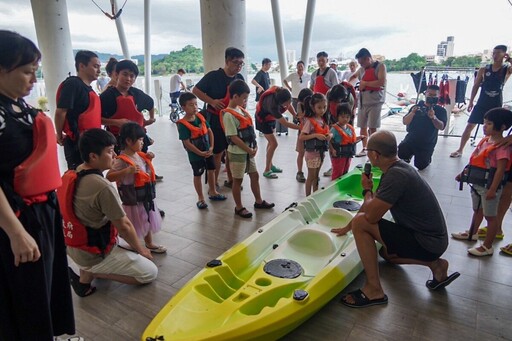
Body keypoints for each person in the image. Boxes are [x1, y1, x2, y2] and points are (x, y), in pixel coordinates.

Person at [0, 29, 75, 341]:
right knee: (24, 297)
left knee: (47, 288)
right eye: (27, 71)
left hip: (44, 213)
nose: (34, 79)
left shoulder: (20, 108)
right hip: (16, 219)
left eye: (35, 71)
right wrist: (16, 233)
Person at [331, 130, 459, 308]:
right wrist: (348, 226)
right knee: (385, 254)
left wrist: (366, 190)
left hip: (427, 242)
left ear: (375, 155)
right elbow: (374, 205)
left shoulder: (396, 176)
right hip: (433, 241)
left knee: (361, 222)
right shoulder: (398, 169)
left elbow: (370, 216)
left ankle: (374, 290)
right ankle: (436, 265)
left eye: (368, 150)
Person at [61, 129, 157, 297]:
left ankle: (87, 275)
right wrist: (142, 250)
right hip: (93, 252)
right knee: (149, 272)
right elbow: (124, 226)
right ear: (93, 156)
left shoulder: (73, 173)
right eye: (109, 151)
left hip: (75, 245)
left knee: (126, 244)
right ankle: (91, 272)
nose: (114, 155)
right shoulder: (102, 186)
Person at [452, 108, 512, 256]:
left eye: (489, 124)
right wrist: (464, 173)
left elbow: (500, 170)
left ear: (503, 127)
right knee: (477, 210)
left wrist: (493, 189)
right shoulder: (485, 141)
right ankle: (472, 232)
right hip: (477, 184)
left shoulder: (502, 148)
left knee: (491, 217)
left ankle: (487, 246)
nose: (484, 126)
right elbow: (474, 160)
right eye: (484, 123)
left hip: (489, 187)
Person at [106, 123, 166, 253]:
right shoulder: (121, 160)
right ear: (128, 141)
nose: (142, 143)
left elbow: (145, 172)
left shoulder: (139, 155)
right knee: (133, 223)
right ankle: (130, 244)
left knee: (148, 219)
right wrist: (127, 171)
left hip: (145, 195)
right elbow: (109, 176)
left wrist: (149, 159)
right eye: (140, 140)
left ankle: (149, 243)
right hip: (132, 199)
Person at [192, 47, 245, 189]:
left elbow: (243, 99)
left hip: (233, 119)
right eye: (236, 63)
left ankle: (231, 179)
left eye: (241, 64)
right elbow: (195, 90)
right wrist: (212, 101)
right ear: (227, 61)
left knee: (231, 151)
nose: (238, 66)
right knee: (217, 152)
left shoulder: (239, 78)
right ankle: (213, 184)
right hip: (215, 119)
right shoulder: (213, 76)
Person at [222, 79, 275, 218]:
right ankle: (238, 207)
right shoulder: (228, 115)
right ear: (235, 96)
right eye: (244, 98)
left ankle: (258, 201)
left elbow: (249, 131)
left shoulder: (240, 110)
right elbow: (233, 137)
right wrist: (248, 149)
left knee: (255, 175)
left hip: (248, 151)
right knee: (237, 180)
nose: (245, 101)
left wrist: (254, 147)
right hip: (238, 153)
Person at [450, 45, 512, 158]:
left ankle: (494, 150)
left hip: (496, 103)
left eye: (498, 53)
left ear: (504, 54)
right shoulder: (485, 69)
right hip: (482, 101)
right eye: (494, 52)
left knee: (496, 129)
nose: (495, 55)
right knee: (470, 126)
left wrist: (509, 59)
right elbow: (476, 85)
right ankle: (460, 149)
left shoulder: (506, 70)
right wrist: (471, 101)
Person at [54, 50, 102, 170]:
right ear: (82, 66)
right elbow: (61, 112)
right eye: (95, 66)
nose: (99, 71)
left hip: (91, 142)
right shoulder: (73, 84)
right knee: (80, 177)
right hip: (77, 143)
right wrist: (59, 134)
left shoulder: (88, 89)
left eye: (99, 67)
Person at [177, 92, 226, 209]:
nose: (194, 107)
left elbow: (209, 131)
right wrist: (199, 153)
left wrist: (211, 147)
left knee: (211, 170)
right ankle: (200, 198)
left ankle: (213, 191)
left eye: (195, 104)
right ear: (183, 107)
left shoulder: (200, 117)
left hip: (208, 151)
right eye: (190, 105)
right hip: (196, 155)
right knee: (198, 174)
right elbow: (187, 143)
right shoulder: (183, 124)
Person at [398, 85, 447, 170]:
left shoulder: (441, 110)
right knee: (402, 154)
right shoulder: (416, 107)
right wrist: (412, 113)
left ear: (438, 96)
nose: (431, 97)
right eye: (429, 94)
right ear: (425, 94)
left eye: (434, 95)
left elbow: (441, 127)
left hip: (427, 142)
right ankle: (408, 155)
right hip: (411, 139)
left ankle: (427, 157)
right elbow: (405, 121)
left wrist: (433, 117)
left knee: (421, 166)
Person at [349, 48, 387, 156]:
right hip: (363, 101)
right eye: (359, 63)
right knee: (362, 126)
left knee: (372, 127)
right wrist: (347, 83)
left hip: (375, 102)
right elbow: (354, 76)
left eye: (362, 63)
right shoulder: (361, 69)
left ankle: (374, 149)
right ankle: (365, 148)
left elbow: (381, 82)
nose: (361, 65)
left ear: (368, 59)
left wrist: (365, 83)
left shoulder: (380, 67)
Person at [255, 86, 299, 178]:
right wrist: (301, 127)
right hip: (263, 120)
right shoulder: (273, 106)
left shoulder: (283, 94)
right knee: (274, 143)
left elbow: (289, 104)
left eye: (289, 101)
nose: (287, 105)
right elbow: (285, 123)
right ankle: (267, 170)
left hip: (270, 119)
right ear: (280, 103)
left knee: (270, 143)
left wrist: (295, 115)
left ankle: (270, 165)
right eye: (285, 104)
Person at [299, 93, 332, 196]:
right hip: (312, 154)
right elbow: (302, 137)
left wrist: (329, 135)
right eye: (319, 107)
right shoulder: (310, 121)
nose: (322, 110)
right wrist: (315, 135)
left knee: (316, 176)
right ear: (313, 107)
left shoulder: (323, 120)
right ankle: (307, 198)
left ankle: (315, 195)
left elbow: (327, 132)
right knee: (311, 176)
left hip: (321, 153)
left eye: (324, 107)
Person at [329, 103, 365, 180]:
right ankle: (335, 188)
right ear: (337, 116)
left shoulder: (349, 128)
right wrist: (332, 149)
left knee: (345, 172)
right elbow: (329, 140)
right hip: (339, 155)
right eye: (342, 117)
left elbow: (352, 140)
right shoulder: (334, 129)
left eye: (347, 117)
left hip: (348, 155)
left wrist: (360, 137)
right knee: (338, 173)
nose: (345, 119)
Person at [295, 88, 314, 183]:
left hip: (311, 132)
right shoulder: (300, 105)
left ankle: (312, 172)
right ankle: (299, 171)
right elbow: (300, 116)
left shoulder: (313, 105)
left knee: (311, 153)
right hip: (302, 132)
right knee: (301, 152)